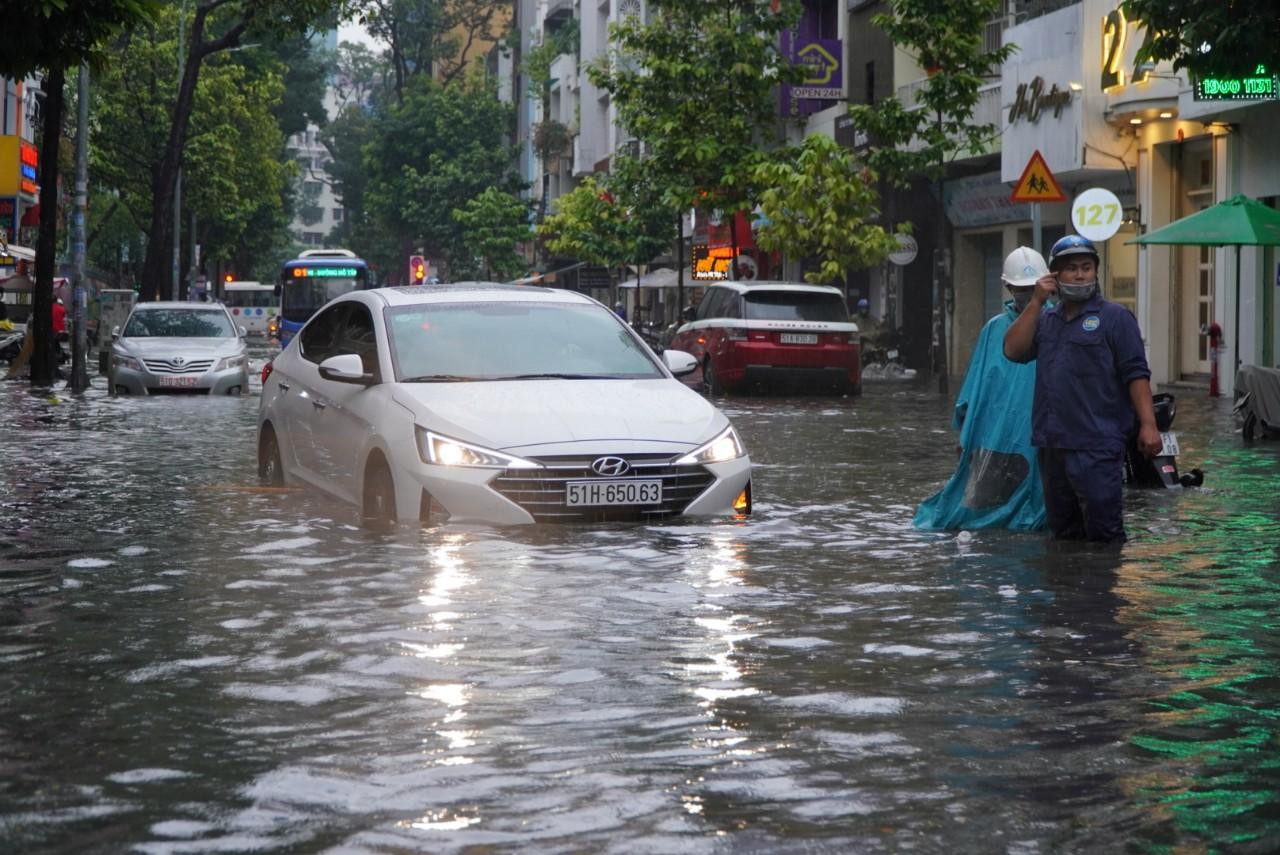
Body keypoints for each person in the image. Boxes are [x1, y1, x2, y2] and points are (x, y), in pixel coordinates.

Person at [1003, 234, 1161, 543]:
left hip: (1097, 445)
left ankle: (1103, 589)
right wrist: (1035, 301)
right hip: (1053, 446)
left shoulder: (1115, 319)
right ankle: (1069, 589)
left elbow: (1136, 375)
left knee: (1105, 533)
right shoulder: (1047, 320)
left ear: (1095, 272)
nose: (1079, 274)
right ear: (1055, 276)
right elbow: (1012, 350)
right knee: (1064, 534)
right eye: (1071, 268)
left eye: (1086, 268)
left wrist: (1149, 425)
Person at [914, 247, 1049, 531]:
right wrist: (966, 433)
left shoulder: (1057, 322)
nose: (1025, 294)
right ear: (1008, 287)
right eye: (1020, 288)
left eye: (1031, 288)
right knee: (988, 503)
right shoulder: (994, 330)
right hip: (998, 431)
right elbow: (975, 387)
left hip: (1044, 429)